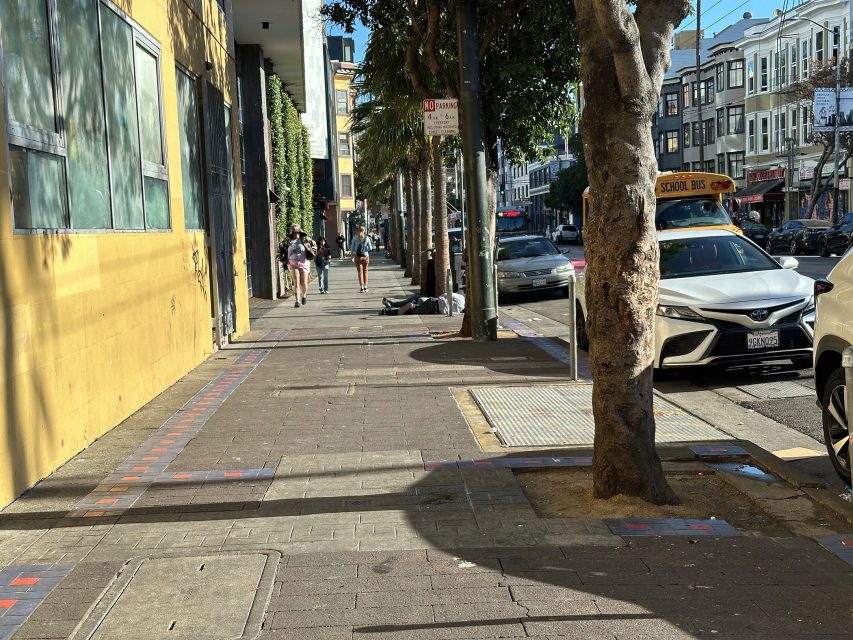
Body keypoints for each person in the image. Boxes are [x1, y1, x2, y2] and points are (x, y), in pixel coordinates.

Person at [286, 224, 310, 308]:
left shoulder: (305, 241)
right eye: (294, 233)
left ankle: (304, 296)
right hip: (293, 264)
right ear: (292, 233)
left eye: (298, 232)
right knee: (296, 283)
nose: (296, 234)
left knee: (304, 283)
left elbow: (312, 248)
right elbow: (287, 253)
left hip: (304, 264)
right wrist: (287, 262)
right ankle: (297, 301)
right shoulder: (289, 242)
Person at [349, 226, 373, 292]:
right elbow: (371, 248)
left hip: (357, 257)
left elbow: (352, 249)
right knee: (365, 271)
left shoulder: (355, 238)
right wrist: (365, 249)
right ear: (364, 231)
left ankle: (361, 287)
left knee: (360, 272)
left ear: (358, 231)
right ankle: (366, 286)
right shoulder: (367, 238)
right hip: (365, 257)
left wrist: (352, 257)